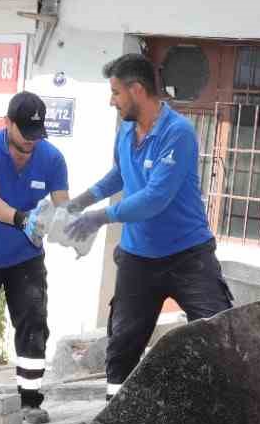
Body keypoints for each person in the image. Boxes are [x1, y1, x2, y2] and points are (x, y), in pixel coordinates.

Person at [65, 53, 234, 399]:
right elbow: (119, 174)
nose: (111, 101)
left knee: (219, 332)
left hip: (188, 256)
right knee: (124, 340)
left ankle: (217, 409)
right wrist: (82, 200)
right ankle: (115, 410)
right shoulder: (126, 131)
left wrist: (100, 217)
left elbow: (156, 199)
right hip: (138, 257)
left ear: (137, 90)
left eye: (115, 92)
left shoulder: (178, 133)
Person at [0, 91, 68, 424]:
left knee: (33, 322)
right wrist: (23, 219)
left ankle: (30, 401)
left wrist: (69, 227)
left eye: (37, 135)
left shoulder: (51, 158)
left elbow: (62, 203)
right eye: (25, 134)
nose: (31, 144)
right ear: (7, 124)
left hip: (26, 256)